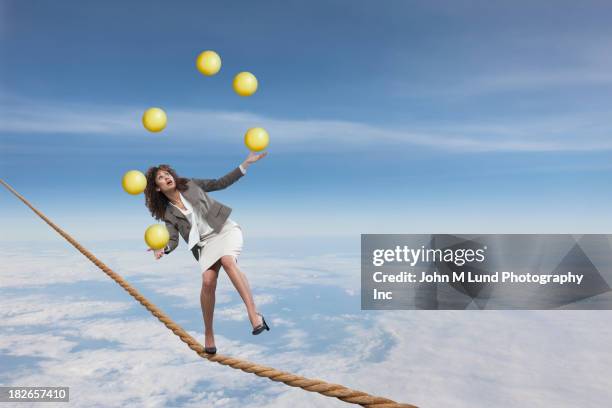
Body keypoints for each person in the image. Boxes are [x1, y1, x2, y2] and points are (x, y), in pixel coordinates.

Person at [143, 151, 270, 354]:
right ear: (157, 188)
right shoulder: (168, 214)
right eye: (161, 177)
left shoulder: (190, 184)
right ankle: (209, 333)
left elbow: (220, 183)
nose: (167, 177)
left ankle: (254, 316)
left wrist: (245, 164)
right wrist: (163, 248)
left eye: (167, 174)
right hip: (204, 244)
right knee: (208, 281)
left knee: (228, 262)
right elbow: (173, 240)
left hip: (223, 229)